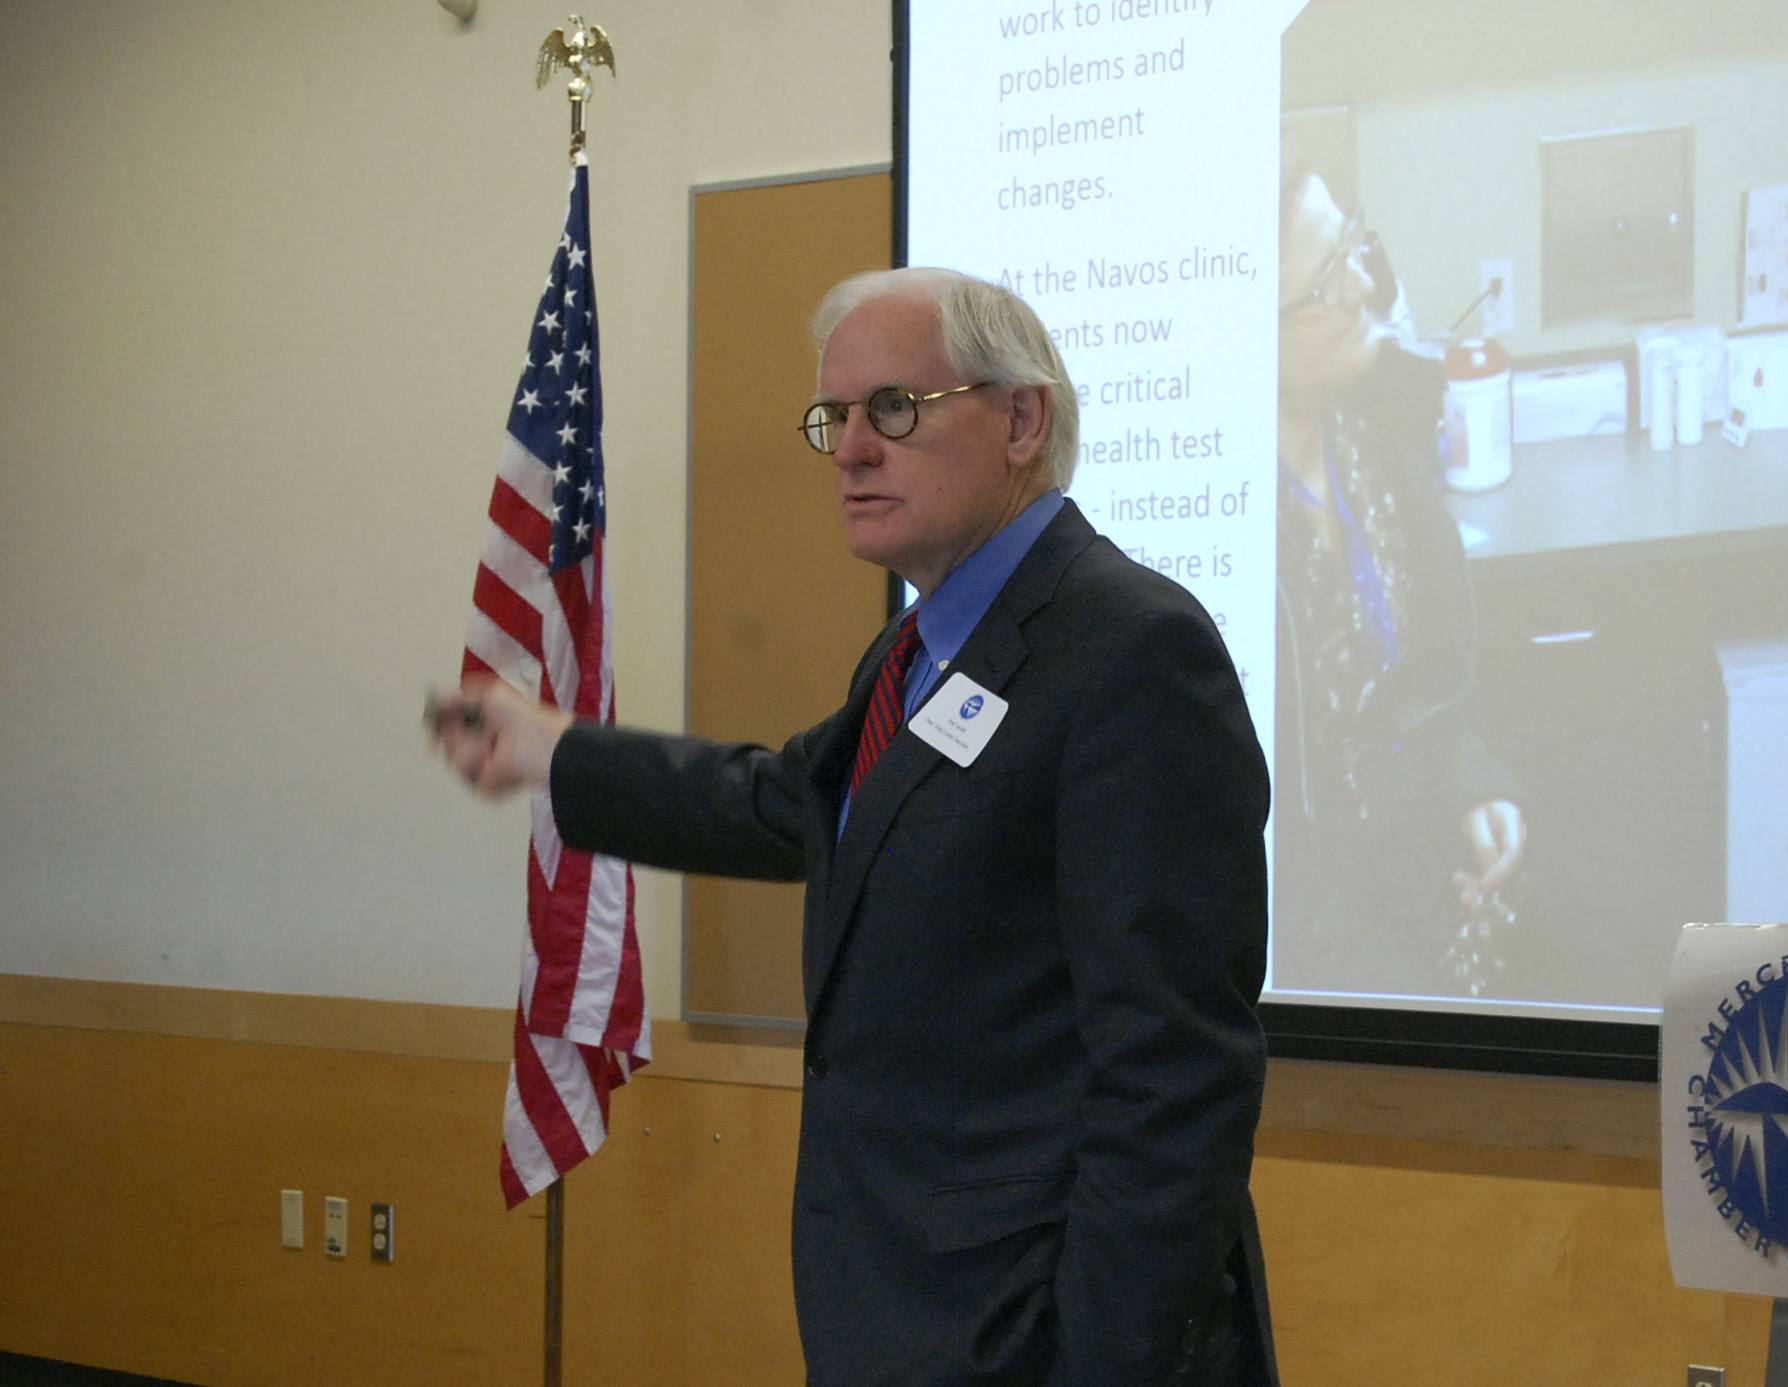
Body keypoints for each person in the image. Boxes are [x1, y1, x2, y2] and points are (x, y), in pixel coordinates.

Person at [433, 267, 1278, 1386]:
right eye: (836, 417)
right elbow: (794, 804)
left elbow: (1175, 1079)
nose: (851, 450)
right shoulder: (918, 650)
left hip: (1039, 1334)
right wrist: (556, 753)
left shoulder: (1128, 649)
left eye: (894, 409)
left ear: (1021, 418)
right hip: (909, 1308)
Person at [1273, 162, 1527, 997]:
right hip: (1313, 934)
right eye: (1323, 283)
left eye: (1352, 247)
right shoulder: (1224, 530)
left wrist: (1471, 779)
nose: (1362, 285)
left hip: (1411, 865)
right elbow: (1269, 861)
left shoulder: (1373, 444)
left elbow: (1429, 678)